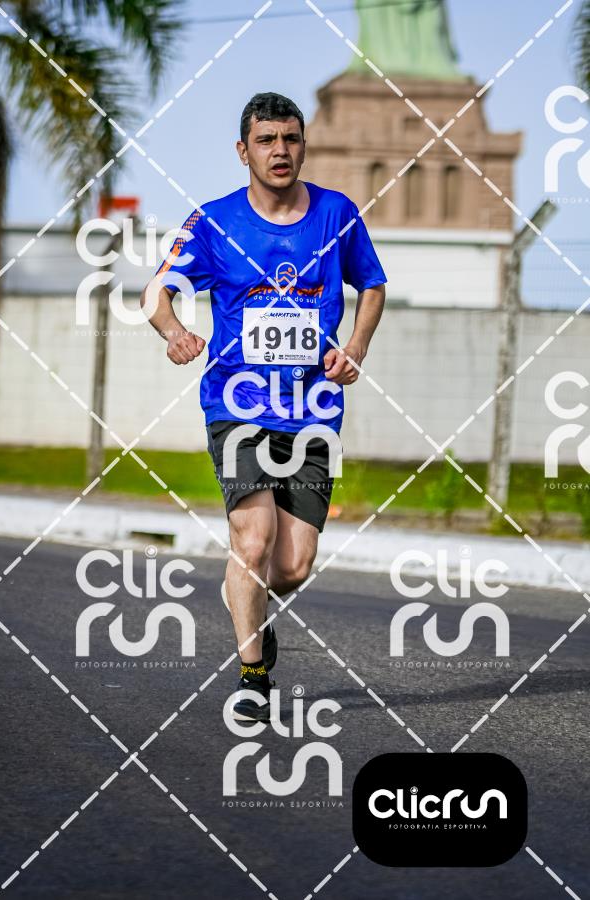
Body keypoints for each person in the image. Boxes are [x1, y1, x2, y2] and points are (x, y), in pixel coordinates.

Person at [141, 92, 386, 722]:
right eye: (267, 140)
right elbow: (156, 293)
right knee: (251, 541)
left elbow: (373, 284)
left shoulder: (336, 214)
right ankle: (253, 676)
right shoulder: (214, 221)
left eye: (291, 139)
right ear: (243, 150)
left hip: (314, 411)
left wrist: (355, 348)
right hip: (237, 406)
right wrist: (175, 333)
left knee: (292, 566)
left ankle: (250, 604)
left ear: (303, 145)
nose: (280, 151)